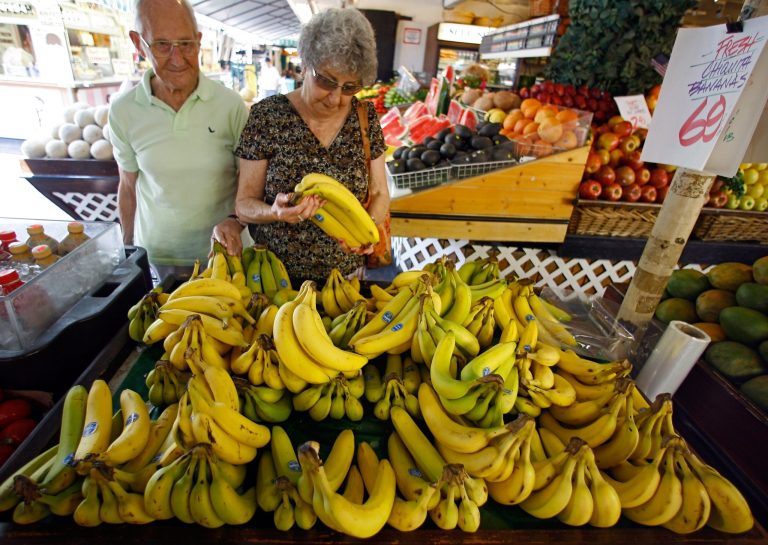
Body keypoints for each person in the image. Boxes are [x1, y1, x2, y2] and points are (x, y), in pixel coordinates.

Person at [234, 8, 390, 286]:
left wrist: (368, 232)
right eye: (326, 81)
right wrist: (275, 212)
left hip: (345, 282)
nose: (335, 98)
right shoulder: (268, 116)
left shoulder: (365, 118)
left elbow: (379, 192)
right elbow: (244, 205)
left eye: (349, 87)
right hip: (275, 279)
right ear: (304, 65)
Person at [109, 0, 248, 278]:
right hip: (157, 256)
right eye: (162, 45)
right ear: (139, 44)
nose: (177, 58)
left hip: (224, 255)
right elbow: (128, 186)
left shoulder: (231, 106)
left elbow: (250, 182)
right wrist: (127, 250)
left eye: (186, 44)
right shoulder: (123, 110)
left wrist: (235, 221)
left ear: (199, 41)